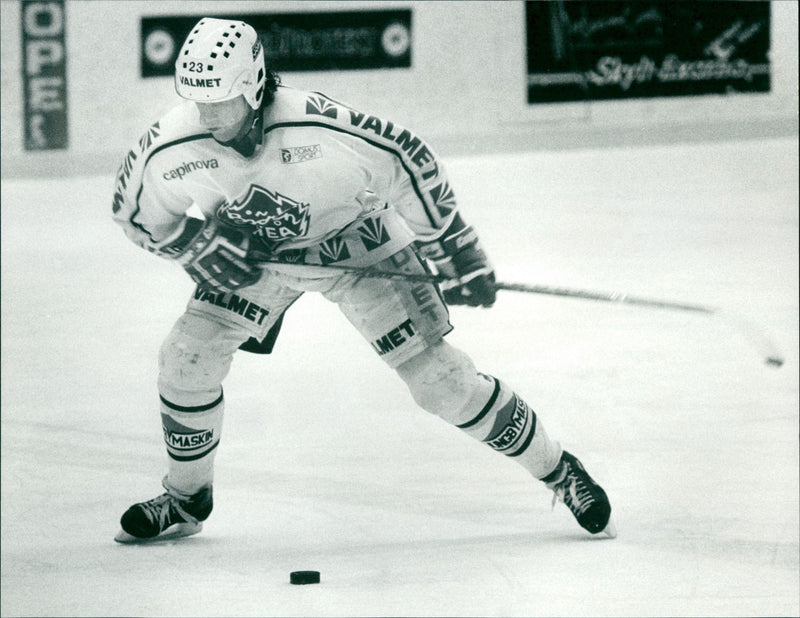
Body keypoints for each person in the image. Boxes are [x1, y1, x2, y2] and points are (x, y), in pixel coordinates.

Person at [112, 17, 615, 543]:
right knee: (185, 359)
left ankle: (560, 471)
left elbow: (407, 157)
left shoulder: (317, 124)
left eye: (219, 99)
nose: (207, 114)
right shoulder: (173, 141)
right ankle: (186, 499)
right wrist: (194, 244)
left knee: (441, 384)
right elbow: (134, 212)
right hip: (258, 255)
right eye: (197, 99)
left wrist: (452, 243)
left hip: (357, 241)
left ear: (253, 86)